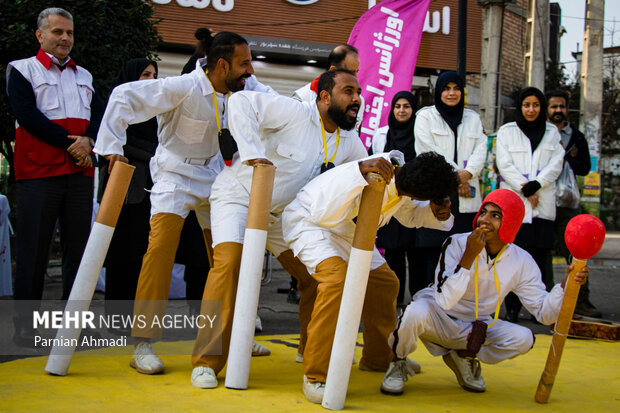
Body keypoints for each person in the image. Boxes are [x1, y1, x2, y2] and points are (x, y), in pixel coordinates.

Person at [94, 31, 271, 375]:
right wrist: (113, 147)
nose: (251, 70)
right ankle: (142, 343)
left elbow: (283, 103)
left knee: (230, 254)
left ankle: (235, 334)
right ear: (222, 65)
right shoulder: (181, 87)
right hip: (174, 176)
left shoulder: (245, 88)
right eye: (245, 63)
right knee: (159, 251)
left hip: (218, 177)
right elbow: (122, 96)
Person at [190, 69, 369, 389]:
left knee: (318, 274)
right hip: (240, 200)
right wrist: (252, 153)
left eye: (358, 91)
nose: (357, 98)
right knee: (228, 266)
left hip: (284, 217)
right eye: (348, 91)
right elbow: (242, 101)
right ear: (325, 97)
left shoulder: (351, 141)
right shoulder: (296, 111)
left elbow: (366, 177)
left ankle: (310, 348)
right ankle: (207, 360)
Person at [282, 151, 458, 404]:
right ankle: (315, 375)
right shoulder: (375, 169)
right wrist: (359, 175)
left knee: (385, 283)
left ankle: (378, 358)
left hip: (351, 234)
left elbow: (409, 215)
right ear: (419, 192)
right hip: (312, 225)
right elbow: (323, 214)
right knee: (336, 282)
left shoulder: (402, 182)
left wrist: (435, 212)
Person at [380, 189, 589, 395]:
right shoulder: (457, 243)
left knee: (524, 338)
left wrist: (565, 287)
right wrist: (468, 258)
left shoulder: (522, 261)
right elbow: (445, 301)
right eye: (483, 212)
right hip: (439, 317)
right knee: (414, 312)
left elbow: (545, 314)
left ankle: (463, 356)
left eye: (495, 215)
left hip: (475, 328)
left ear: (511, 223)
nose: (484, 220)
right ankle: (398, 361)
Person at [6, 7, 104, 345]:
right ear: (40, 35)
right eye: (58, 32)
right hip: (38, 173)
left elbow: (97, 115)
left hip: (79, 174)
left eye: (69, 33)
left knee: (80, 252)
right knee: (33, 251)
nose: (65, 38)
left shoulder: (86, 76)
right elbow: (27, 116)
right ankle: (26, 329)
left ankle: (76, 326)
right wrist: (71, 145)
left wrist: (89, 140)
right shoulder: (21, 70)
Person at [413, 71, 488, 293]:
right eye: (446, 88)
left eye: (456, 88)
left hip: (466, 197)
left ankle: (458, 301)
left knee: (462, 250)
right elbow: (428, 150)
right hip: (438, 194)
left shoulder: (473, 118)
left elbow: (481, 148)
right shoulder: (425, 117)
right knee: (433, 253)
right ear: (439, 92)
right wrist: (458, 176)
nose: (451, 93)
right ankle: (431, 299)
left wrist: (469, 173)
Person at [99, 58, 158, 333]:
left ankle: (135, 317)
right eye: (145, 74)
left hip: (149, 191)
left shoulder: (157, 111)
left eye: (154, 75)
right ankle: (115, 318)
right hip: (123, 190)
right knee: (119, 254)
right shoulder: (119, 105)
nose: (150, 80)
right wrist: (154, 155)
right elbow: (117, 142)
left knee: (139, 254)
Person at [495, 87, 564, 322]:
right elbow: (504, 164)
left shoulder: (553, 133)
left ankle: (540, 310)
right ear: (520, 107)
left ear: (541, 107)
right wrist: (526, 188)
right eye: (526, 105)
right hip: (516, 204)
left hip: (542, 205)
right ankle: (512, 308)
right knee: (512, 258)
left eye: (535, 105)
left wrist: (537, 185)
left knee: (540, 259)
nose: (531, 109)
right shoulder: (507, 131)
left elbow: (556, 163)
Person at [546, 89, 601, 318]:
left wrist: (567, 156)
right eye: (553, 107)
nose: (558, 111)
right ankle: (546, 300)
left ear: (567, 109)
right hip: (544, 201)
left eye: (561, 107)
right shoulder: (542, 134)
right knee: (541, 251)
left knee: (577, 252)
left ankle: (580, 299)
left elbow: (585, 167)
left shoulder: (576, 137)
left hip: (568, 202)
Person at [370, 91, 421, 305]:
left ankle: (418, 300)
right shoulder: (381, 134)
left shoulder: (421, 134)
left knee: (416, 254)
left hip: (415, 200)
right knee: (392, 252)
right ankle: (396, 298)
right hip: (390, 200)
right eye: (398, 106)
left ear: (413, 109)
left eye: (406, 106)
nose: (401, 110)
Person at [293, 44, 364, 132]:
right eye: (350, 72)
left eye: (356, 72)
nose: (355, 78)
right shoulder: (302, 98)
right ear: (333, 70)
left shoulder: (358, 101)